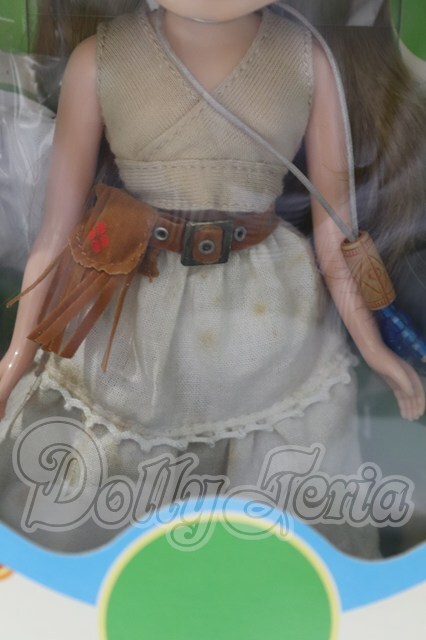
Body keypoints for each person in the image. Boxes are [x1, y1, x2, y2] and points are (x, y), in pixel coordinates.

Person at [0, 0, 424, 556]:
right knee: (115, 485)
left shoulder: (305, 59)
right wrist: (17, 357)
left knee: (278, 503)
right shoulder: (99, 59)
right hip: (138, 311)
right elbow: (56, 234)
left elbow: (336, 234)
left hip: (271, 318)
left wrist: (373, 347)